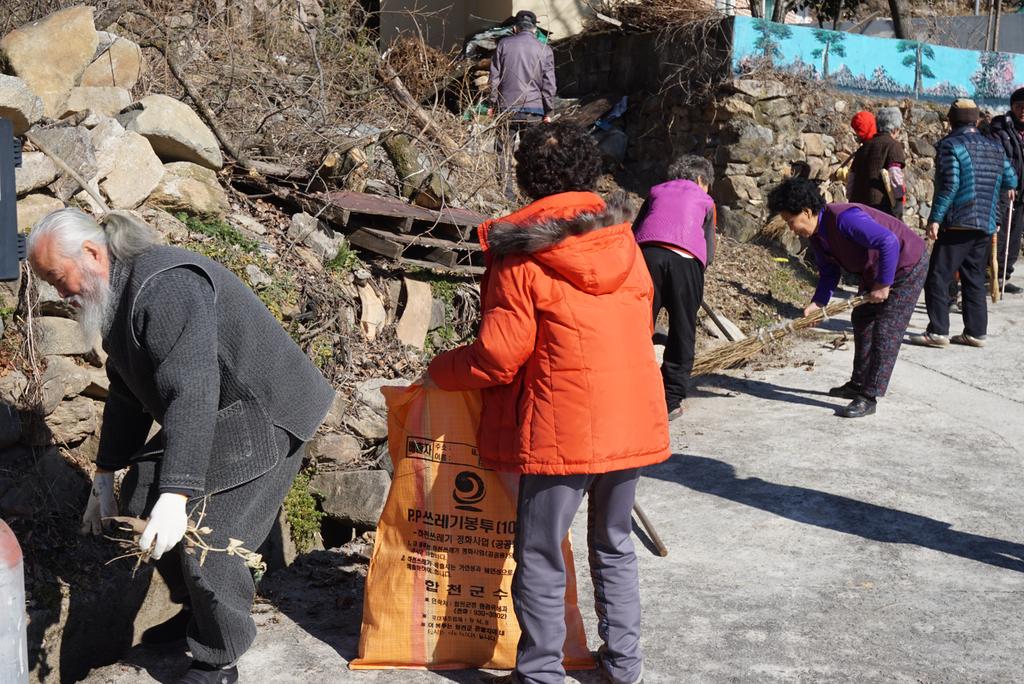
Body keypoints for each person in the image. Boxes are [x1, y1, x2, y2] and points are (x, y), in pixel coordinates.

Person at [27, 209, 335, 684]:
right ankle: (197, 611)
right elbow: (129, 392)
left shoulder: (164, 287)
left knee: (207, 533)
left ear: (90, 254)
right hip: (220, 410)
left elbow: (191, 391)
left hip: (267, 408)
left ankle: (219, 657)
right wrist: (106, 474)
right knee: (143, 493)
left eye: (57, 277)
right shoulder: (117, 293)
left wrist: (180, 494)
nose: (60, 292)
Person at [426, 122, 669, 684]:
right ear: (590, 174)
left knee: (538, 552)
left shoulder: (521, 256)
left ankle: (540, 674)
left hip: (561, 425)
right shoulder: (625, 244)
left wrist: (438, 371)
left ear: (527, 177)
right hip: (629, 418)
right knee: (612, 544)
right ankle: (625, 667)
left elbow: (498, 357)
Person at [767, 177, 927, 418]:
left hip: (906, 264)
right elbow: (829, 271)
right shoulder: (817, 235)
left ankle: (869, 395)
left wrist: (884, 284)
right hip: (877, 268)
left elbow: (888, 241)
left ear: (807, 212)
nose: (791, 228)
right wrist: (818, 303)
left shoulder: (844, 218)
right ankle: (858, 382)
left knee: (886, 329)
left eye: (791, 221)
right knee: (862, 318)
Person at [909, 99, 1018, 349]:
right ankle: (976, 332)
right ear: (977, 121)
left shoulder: (951, 145)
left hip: (959, 221)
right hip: (986, 222)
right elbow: (1011, 178)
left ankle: (938, 331)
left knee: (937, 275)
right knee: (974, 277)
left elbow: (950, 185)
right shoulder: (994, 147)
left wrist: (935, 218)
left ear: (951, 120)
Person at [631, 155, 717, 420]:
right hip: (686, 260)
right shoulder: (707, 201)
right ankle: (671, 400)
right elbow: (710, 250)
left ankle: (631, 390)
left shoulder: (656, 191)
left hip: (647, 257)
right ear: (701, 180)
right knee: (682, 331)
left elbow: (635, 232)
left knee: (637, 326)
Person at [488, 10, 556, 125]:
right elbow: (549, 83)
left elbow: (494, 77)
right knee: (531, 143)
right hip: (534, 110)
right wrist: (549, 111)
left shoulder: (503, 44)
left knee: (504, 143)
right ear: (535, 29)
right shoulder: (545, 49)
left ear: (515, 28)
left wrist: (492, 103)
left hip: (506, 107)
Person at [987, 87, 1024, 294]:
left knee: (1015, 237)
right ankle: (989, 276)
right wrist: (1008, 182)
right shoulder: (1000, 128)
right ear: (1012, 107)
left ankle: (1003, 277)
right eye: (1019, 106)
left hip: (1022, 193)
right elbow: (998, 157)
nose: (1023, 111)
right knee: (1000, 235)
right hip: (1004, 191)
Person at [848, 107, 907, 219]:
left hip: (857, 206)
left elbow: (852, 177)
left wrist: (850, 198)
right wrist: (899, 201)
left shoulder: (863, 148)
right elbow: (894, 175)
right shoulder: (893, 146)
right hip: (879, 208)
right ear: (895, 129)